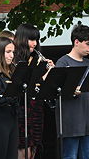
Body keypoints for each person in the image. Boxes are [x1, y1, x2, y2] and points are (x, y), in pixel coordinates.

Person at [13, 23, 54, 159]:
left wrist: (50, 73)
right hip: (21, 110)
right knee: (23, 148)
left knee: (35, 147)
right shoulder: (15, 60)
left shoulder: (37, 59)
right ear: (22, 39)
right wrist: (42, 76)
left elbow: (41, 88)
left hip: (36, 109)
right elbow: (22, 86)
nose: (35, 43)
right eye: (31, 39)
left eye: (36, 40)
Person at [55, 24, 89, 159]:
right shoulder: (62, 63)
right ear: (76, 42)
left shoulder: (88, 63)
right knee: (70, 156)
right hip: (70, 123)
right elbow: (56, 92)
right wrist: (70, 90)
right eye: (87, 44)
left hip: (87, 122)